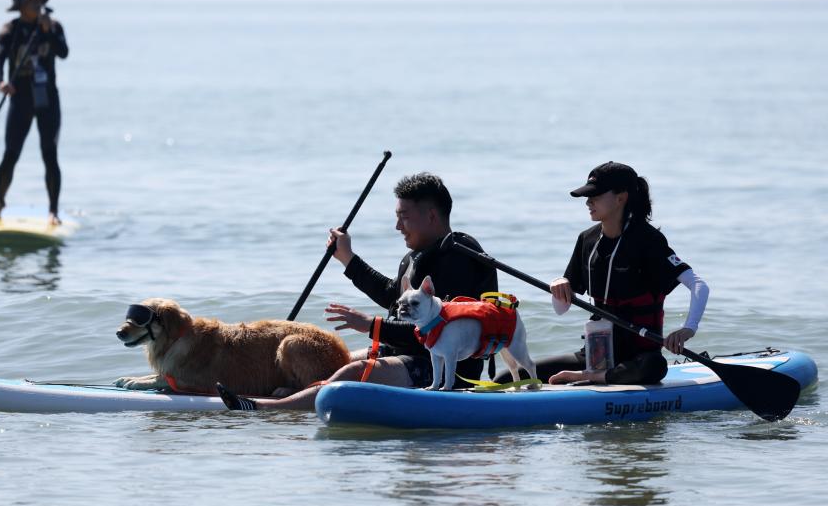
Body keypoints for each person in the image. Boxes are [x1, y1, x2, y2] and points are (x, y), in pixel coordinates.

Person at [217, 172, 498, 410]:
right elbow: (392, 297)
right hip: (404, 352)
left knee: (351, 372)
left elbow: (434, 333)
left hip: (446, 369)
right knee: (332, 362)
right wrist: (348, 259)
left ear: (432, 216)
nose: (397, 226)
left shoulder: (459, 259)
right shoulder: (419, 256)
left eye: (404, 217)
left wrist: (371, 325)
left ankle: (265, 409)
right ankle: (278, 395)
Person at [544, 161, 710, 385]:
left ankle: (594, 377)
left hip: (638, 359)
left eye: (596, 195)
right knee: (509, 375)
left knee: (655, 367)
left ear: (621, 198)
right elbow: (560, 310)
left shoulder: (648, 241)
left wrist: (688, 329)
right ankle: (596, 374)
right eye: (587, 196)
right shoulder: (587, 240)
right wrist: (559, 283)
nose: (588, 202)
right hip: (596, 355)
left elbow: (698, 285)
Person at [0, 0, 69, 224]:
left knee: (50, 155)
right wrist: (0, 82)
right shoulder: (10, 29)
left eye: (38, 1)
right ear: (21, 7)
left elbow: (63, 52)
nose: (36, 5)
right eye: (31, 1)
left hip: (47, 99)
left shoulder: (53, 26)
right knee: (10, 154)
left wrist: (48, 32)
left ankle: (53, 212)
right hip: (21, 98)